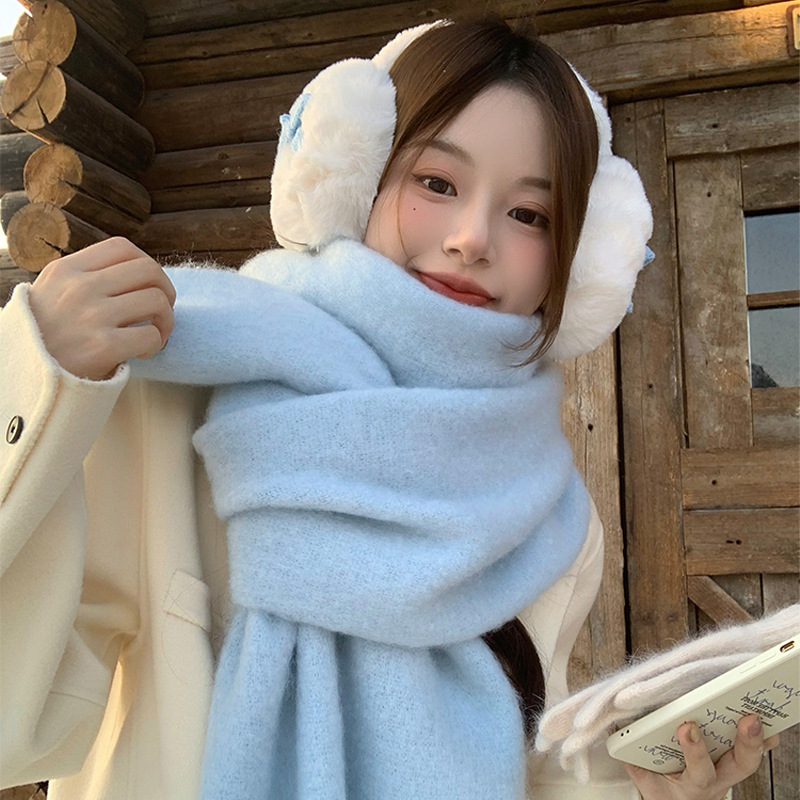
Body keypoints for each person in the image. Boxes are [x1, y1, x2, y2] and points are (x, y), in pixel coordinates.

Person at [0, 17, 780, 800]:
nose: (472, 238)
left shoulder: (554, 518)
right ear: (357, 174)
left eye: (530, 215)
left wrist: (637, 788)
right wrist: (30, 381)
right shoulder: (175, 392)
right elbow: (19, 731)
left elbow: (514, 769)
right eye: (437, 183)